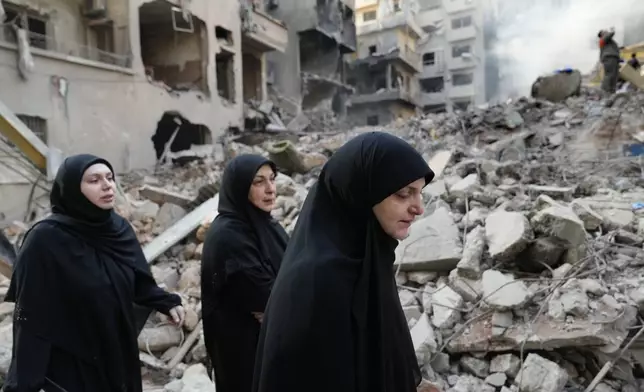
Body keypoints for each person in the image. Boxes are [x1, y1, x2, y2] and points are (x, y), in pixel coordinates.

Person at [253, 132, 435, 392]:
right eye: (403, 194)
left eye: (419, 193)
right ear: (361, 193)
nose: (419, 208)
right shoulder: (318, 280)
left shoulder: (367, 258)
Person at [4, 154, 185, 392]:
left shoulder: (118, 229)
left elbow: (137, 280)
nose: (107, 185)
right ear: (72, 189)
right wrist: (24, 383)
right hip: (72, 358)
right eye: (94, 180)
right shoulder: (45, 240)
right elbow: (30, 316)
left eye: (109, 177)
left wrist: (166, 302)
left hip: (116, 352)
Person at [201, 154, 288, 392]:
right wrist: (283, 304)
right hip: (244, 350)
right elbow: (267, 299)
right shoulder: (229, 234)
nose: (270, 189)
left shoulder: (266, 225)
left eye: (272, 179)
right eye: (258, 182)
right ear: (239, 186)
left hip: (271, 342)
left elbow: (293, 282)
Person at [598, 28, 621, 93]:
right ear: (602, 34)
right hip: (609, 58)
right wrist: (612, 31)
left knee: (614, 75)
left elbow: (613, 47)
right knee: (609, 75)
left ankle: (612, 91)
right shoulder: (603, 39)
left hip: (613, 58)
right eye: (604, 31)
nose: (606, 31)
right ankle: (605, 90)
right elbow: (610, 34)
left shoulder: (608, 41)